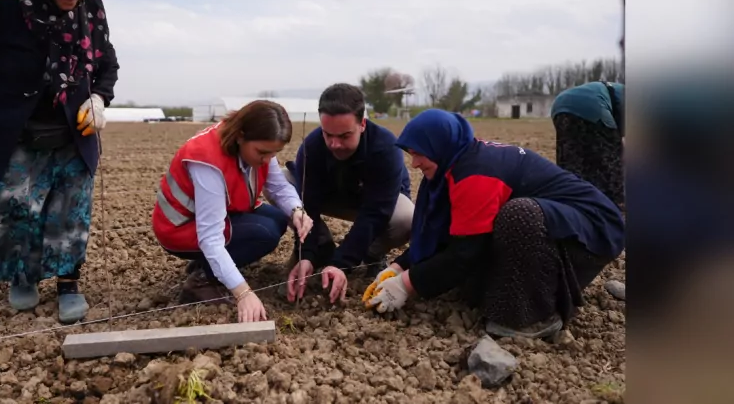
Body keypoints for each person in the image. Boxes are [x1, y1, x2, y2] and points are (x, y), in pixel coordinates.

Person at [363, 109, 625, 339]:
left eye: (420, 154)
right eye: (411, 154)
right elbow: (444, 232)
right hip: (556, 229)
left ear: (439, 147)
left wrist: (406, 285)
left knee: (519, 215)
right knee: (471, 289)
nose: (414, 163)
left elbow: (464, 253)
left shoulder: (475, 174)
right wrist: (398, 268)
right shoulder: (455, 164)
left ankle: (535, 318)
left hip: (590, 235)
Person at [0, 0, 119, 324]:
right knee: (19, 210)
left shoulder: (89, 9)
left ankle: (69, 283)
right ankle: (24, 277)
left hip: (73, 134)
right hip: (15, 132)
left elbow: (106, 63)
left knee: (71, 213)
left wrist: (99, 98)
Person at [152, 100, 313, 323]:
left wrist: (297, 211)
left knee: (277, 219)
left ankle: (206, 265)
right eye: (262, 153)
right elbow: (210, 237)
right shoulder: (207, 161)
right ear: (240, 135)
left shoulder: (257, 143)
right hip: (179, 228)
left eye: (274, 153)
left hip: (212, 216)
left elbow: (277, 186)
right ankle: (201, 282)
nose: (267, 160)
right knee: (263, 233)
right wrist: (243, 293)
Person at [283, 83, 414, 305]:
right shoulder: (313, 146)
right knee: (283, 182)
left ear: (362, 124)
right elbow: (309, 204)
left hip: (376, 203)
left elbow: (375, 213)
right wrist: (307, 254)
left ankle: (372, 255)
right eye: (328, 135)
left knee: (407, 217)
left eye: (344, 136)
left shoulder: (385, 148)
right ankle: (322, 248)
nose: (334, 144)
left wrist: (342, 263)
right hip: (334, 197)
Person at [551, 80, 625, 208]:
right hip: (593, 106)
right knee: (609, 159)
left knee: (572, 159)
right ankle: (614, 201)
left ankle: (570, 197)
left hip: (560, 106)